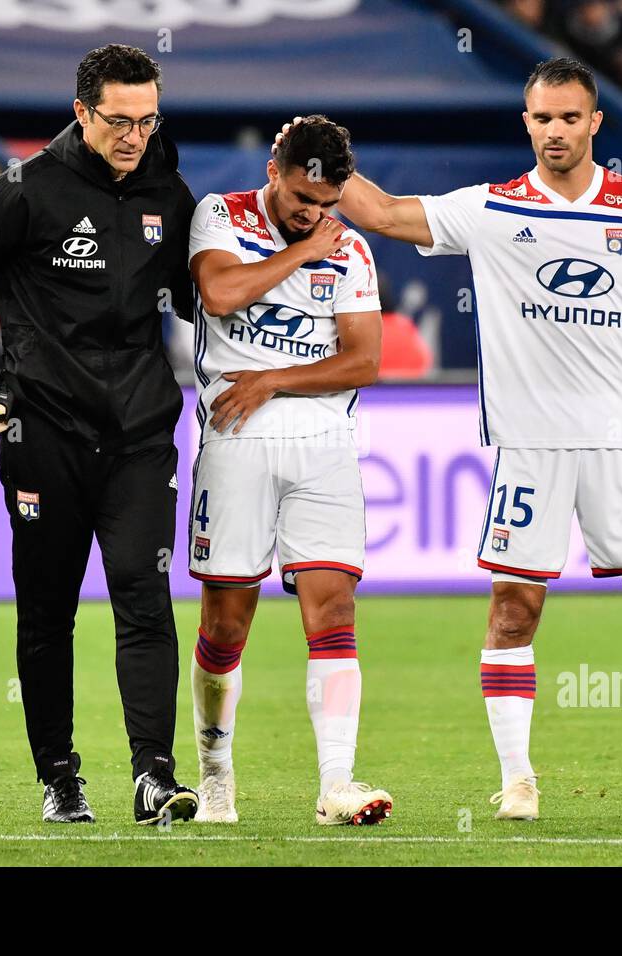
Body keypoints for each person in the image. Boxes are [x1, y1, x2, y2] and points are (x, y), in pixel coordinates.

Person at [276, 56, 622, 820]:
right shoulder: (489, 208)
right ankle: (518, 780)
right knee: (513, 611)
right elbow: (384, 215)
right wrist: (326, 166)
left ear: (594, 122)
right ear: (527, 124)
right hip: (531, 447)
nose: (556, 131)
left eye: (569, 117)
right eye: (542, 118)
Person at [0, 44, 199, 825]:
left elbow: (199, 298)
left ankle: (153, 775)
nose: (133, 135)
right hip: (43, 434)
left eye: (147, 120)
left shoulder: (170, 196)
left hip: (141, 433)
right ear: (82, 112)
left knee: (145, 599)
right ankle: (60, 777)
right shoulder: (24, 191)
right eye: (118, 120)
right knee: (48, 612)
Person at [186, 116, 393, 826]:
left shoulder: (353, 251)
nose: (315, 214)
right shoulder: (220, 216)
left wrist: (272, 377)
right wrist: (302, 254)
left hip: (324, 445)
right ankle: (215, 774)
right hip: (234, 442)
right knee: (226, 623)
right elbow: (218, 294)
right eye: (303, 197)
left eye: (327, 204)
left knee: (333, 611)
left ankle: (337, 782)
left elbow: (363, 360)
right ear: (274, 170)